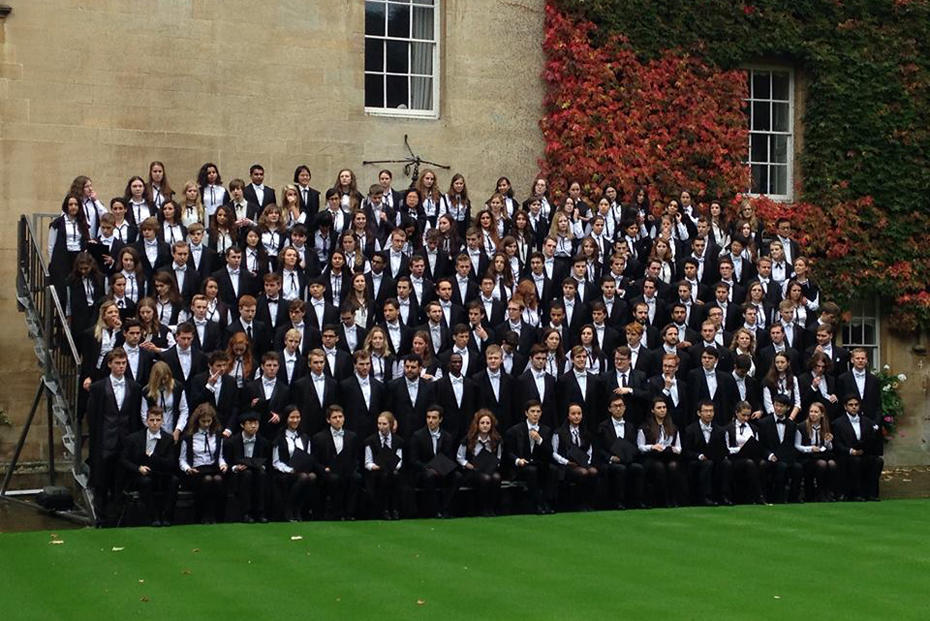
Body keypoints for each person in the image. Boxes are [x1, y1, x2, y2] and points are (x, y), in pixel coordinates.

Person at [87, 347, 143, 524]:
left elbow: (135, 416)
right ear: (110, 364)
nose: (121, 366)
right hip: (105, 441)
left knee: (121, 482)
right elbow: (93, 416)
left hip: (125, 441)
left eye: (124, 363)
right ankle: (101, 519)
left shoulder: (134, 387)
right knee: (101, 483)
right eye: (117, 363)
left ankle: (119, 519)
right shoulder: (98, 388)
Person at [120, 406, 178, 526]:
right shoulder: (133, 439)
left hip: (160, 474)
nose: (155, 423)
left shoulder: (168, 439)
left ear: (162, 421)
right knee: (146, 482)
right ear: (147, 421)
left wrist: (153, 456)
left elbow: (171, 463)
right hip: (140, 475)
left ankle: (167, 517)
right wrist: (138, 468)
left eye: (158, 420)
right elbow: (123, 460)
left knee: (174, 480)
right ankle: (153, 517)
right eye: (152, 420)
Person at [407, 405, 461, 518]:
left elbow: (449, 458)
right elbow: (413, 460)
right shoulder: (417, 436)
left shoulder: (447, 437)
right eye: (428, 417)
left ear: (440, 419)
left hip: (442, 470)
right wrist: (429, 468)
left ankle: (445, 508)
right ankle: (434, 510)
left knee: (457, 476)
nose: (430, 421)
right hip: (423, 471)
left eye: (434, 418)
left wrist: (440, 468)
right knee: (429, 476)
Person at [179, 403, 228, 524]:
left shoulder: (217, 435)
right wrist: (188, 469)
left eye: (209, 421)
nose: (206, 424)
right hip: (196, 471)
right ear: (197, 421)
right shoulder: (188, 437)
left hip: (213, 468)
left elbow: (220, 456)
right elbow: (182, 459)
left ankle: (216, 515)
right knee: (207, 480)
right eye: (203, 421)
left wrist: (223, 464)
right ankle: (203, 515)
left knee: (217, 479)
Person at [312, 405, 362, 520]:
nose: (338, 419)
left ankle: (350, 513)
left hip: (347, 470)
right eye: (334, 417)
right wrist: (324, 469)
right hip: (329, 471)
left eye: (340, 416)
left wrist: (352, 468)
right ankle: (336, 512)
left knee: (356, 478)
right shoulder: (319, 438)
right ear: (328, 420)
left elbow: (355, 457)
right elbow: (315, 460)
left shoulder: (352, 436)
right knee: (334, 479)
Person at [504, 400, 554, 515]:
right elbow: (508, 452)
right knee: (532, 471)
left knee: (552, 469)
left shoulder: (546, 430)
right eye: (532, 411)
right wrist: (518, 460)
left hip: (539, 464)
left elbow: (550, 452)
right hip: (522, 465)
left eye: (538, 411)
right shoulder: (515, 430)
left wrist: (539, 440)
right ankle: (537, 504)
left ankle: (547, 503)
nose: (535, 414)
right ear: (526, 413)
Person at [597, 394, 645, 509]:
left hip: (627, 459)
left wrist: (629, 456)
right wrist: (611, 458)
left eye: (620, 405)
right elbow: (599, 448)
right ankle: (618, 502)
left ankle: (638, 501)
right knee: (620, 469)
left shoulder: (631, 426)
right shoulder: (603, 426)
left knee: (638, 468)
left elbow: (634, 446)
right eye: (615, 406)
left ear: (625, 407)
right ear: (609, 409)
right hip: (610, 461)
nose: (618, 409)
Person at [832, 394, 883, 501]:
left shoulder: (867, 422)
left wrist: (863, 449)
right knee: (855, 461)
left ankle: (872, 494)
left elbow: (871, 439)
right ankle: (856, 494)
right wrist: (851, 451)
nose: (854, 407)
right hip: (846, 455)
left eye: (856, 404)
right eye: (850, 405)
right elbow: (837, 444)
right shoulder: (838, 423)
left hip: (863, 452)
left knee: (877, 461)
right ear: (845, 407)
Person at [272, 405, 318, 521]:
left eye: (298, 417)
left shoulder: (305, 437)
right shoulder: (279, 438)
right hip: (284, 473)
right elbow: (276, 462)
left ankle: (299, 508)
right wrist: (289, 469)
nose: (295, 420)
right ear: (286, 419)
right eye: (292, 417)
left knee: (311, 476)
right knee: (303, 477)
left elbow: (308, 456)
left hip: (301, 471)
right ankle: (289, 509)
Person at [682, 400, 731, 506]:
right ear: (699, 413)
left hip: (715, 459)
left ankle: (723, 496)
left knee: (726, 464)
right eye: (706, 411)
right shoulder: (690, 430)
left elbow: (724, 449)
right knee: (708, 464)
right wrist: (698, 456)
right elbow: (686, 451)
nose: (709, 414)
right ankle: (705, 497)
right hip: (696, 462)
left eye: (711, 411)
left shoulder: (720, 430)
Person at [637, 397, 683, 507]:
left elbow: (679, 447)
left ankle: (673, 499)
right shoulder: (645, 427)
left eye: (664, 407)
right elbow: (640, 446)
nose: (662, 410)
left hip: (668, 456)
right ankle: (661, 500)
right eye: (659, 408)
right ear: (653, 410)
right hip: (651, 457)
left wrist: (673, 449)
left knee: (673, 466)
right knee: (659, 467)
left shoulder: (673, 427)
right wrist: (652, 447)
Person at [225, 411, 271, 523]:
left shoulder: (263, 442)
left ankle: (260, 512)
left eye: (256, 423)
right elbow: (227, 461)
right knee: (247, 474)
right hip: (239, 474)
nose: (254, 426)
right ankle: (246, 513)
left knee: (261, 475)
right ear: (242, 425)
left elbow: (267, 461)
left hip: (257, 471)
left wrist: (262, 466)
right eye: (250, 423)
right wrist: (235, 467)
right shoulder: (232, 442)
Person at [551, 403, 598, 511]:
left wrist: (587, 462)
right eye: (573, 414)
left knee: (593, 471)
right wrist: (566, 462)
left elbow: (590, 450)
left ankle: (590, 502)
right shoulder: (559, 432)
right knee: (583, 473)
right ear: (568, 416)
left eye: (579, 413)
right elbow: (554, 452)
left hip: (583, 463)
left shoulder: (585, 432)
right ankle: (579, 503)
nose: (576, 416)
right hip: (566, 465)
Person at [457, 409, 503, 517]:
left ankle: (491, 507)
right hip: (473, 471)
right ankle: (483, 508)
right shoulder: (469, 439)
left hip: (489, 469)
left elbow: (499, 457)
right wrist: (468, 465)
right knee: (485, 478)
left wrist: (493, 465)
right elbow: (460, 457)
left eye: (488, 423)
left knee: (496, 477)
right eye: (482, 423)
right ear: (477, 424)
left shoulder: (496, 440)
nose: (485, 426)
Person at [757, 394, 802, 503]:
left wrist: (785, 456)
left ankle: (793, 498)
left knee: (798, 467)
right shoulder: (763, 423)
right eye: (776, 405)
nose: (778, 408)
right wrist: (770, 455)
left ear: (788, 408)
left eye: (781, 406)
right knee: (780, 467)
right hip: (769, 457)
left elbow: (792, 445)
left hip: (785, 457)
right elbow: (760, 445)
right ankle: (777, 498)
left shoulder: (792, 425)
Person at [363, 411, 404, 520]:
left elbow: (400, 460)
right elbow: (367, 462)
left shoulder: (398, 441)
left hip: (392, 470)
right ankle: (384, 509)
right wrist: (374, 466)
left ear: (390, 424)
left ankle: (395, 509)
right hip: (376, 473)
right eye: (379, 424)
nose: (381, 427)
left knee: (394, 476)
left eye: (384, 424)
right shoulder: (370, 441)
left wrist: (393, 466)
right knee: (384, 476)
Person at [795, 402, 837, 502]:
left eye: (816, 412)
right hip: (807, 457)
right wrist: (810, 448)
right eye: (811, 411)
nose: (813, 414)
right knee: (822, 464)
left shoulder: (826, 426)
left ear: (822, 414)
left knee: (832, 464)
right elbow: (797, 445)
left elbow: (829, 448)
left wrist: (827, 441)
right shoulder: (801, 427)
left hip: (822, 454)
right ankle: (819, 492)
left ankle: (829, 491)